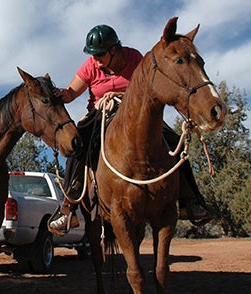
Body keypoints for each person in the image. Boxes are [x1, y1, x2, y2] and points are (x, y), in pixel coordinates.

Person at [48, 24, 212, 235]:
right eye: (93, 54)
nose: (95, 58)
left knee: (172, 139)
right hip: (101, 112)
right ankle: (68, 208)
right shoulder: (90, 66)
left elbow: (147, 86)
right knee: (79, 143)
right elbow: (70, 94)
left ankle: (192, 201)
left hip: (135, 110)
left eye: (99, 54)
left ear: (114, 49)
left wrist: (122, 96)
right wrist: (55, 92)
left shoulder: (134, 57)